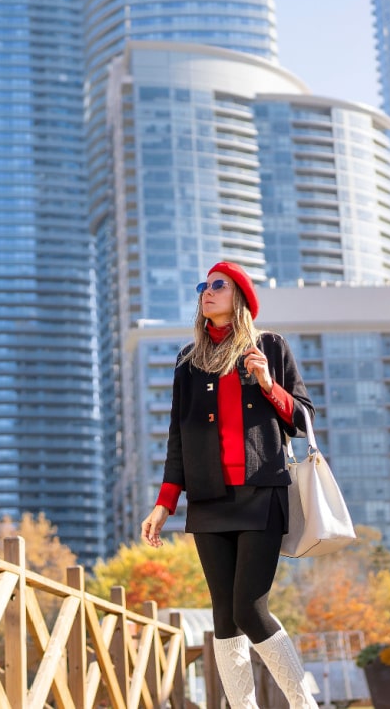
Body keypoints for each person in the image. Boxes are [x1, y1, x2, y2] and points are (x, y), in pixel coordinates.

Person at [141, 261, 316, 709]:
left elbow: (303, 419)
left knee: (248, 610)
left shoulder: (269, 346)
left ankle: (304, 703)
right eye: (204, 285)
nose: (207, 291)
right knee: (224, 618)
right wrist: (165, 504)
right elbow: (177, 437)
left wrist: (267, 384)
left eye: (218, 284)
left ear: (239, 296)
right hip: (208, 501)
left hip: (262, 494)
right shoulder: (188, 361)